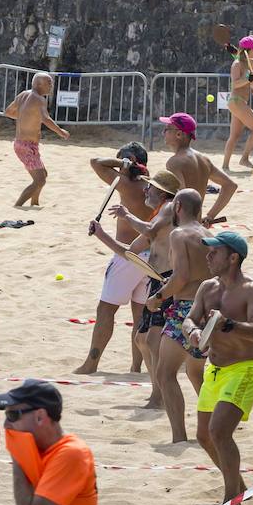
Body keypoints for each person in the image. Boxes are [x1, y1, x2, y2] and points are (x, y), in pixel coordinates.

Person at [183, 232, 253, 502]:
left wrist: (228, 324)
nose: (207, 256)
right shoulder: (207, 287)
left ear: (233, 258)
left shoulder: (252, 291)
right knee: (204, 436)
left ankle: (231, 501)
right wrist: (194, 333)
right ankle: (239, 488)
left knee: (219, 432)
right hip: (215, 369)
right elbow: (189, 319)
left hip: (244, 369)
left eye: (214, 252)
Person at [88, 170, 181, 409]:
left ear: (161, 192)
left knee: (155, 341)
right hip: (158, 280)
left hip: (170, 280)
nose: (145, 190)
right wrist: (102, 235)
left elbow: (149, 232)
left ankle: (160, 395)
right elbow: (129, 252)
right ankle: (157, 393)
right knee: (144, 339)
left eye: (150, 187)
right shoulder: (159, 215)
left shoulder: (169, 207)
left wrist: (126, 215)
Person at [74, 145, 152, 375]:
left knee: (105, 310)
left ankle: (91, 364)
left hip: (128, 256)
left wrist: (123, 164)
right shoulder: (154, 186)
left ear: (129, 161)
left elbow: (96, 161)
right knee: (140, 314)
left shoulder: (127, 184)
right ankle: (136, 367)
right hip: (152, 258)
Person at [143, 188, 211, 444]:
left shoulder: (179, 234)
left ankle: (179, 437)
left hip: (186, 311)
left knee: (165, 373)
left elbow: (181, 276)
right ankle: (215, 428)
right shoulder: (207, 233)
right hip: (208, 308)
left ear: (178, 207)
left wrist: (157, 297)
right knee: (195, 373)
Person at [4, 73, 69, 209]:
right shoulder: (39, 99)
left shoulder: (23, 95)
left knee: (43, 175)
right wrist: (60, 132)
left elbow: (8, 112)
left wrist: (27, 116)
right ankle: (17, 206)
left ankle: (34, 203)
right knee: (40, 180)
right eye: (49, 83)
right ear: (39, 84)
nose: (51, 86)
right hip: (27, 146)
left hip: (22, 144)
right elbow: (46, 119)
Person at [158, 112, 235, 225]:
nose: (163, 132)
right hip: (196, 225)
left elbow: (180, 199)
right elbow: (230, 185)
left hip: (182, 227)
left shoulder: (174, 162)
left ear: (179, 134)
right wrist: (210, 216)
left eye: (167, 129)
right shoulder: (204, 159)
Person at [222, 39, 253, 170]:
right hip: (236, 101)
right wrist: (248, 79)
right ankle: (244, 158)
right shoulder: (237, 64)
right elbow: (234, 84)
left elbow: (238, 55)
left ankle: (225, 166)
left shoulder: (245, 62)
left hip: (239, 102)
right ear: (248, 51)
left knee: (234, 136)